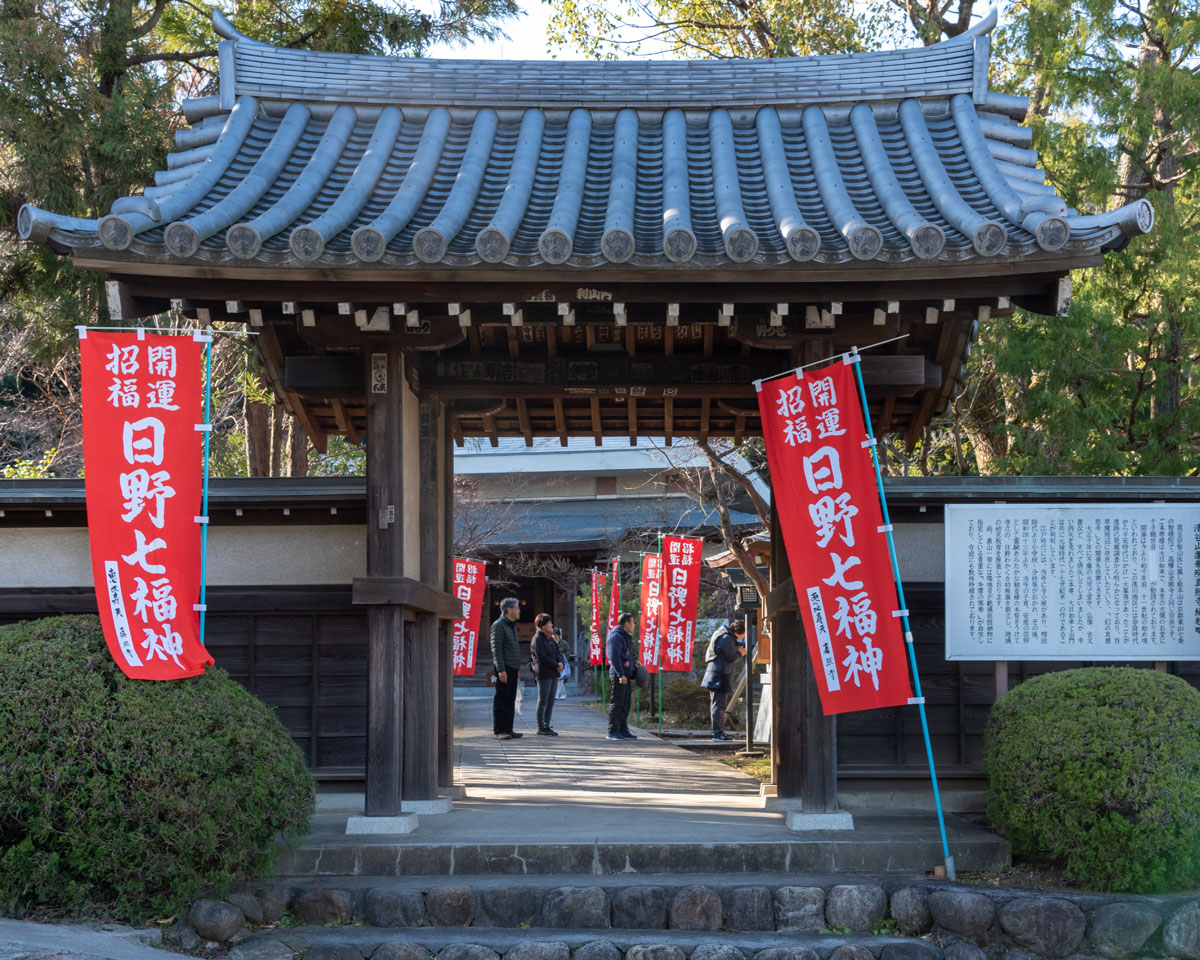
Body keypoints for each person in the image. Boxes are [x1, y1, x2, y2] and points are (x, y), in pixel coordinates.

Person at [702, 619, 747, 741]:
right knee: (718, 705)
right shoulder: (727, 638)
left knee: (717, 704)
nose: (744, 636)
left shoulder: (725, 635)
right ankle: (718, 734)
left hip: (717, 673)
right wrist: (740, 653)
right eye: (744, 634)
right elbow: (731, 657)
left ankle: (718, 732)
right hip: (719, 675)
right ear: (739, 632)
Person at [490, 597, 524, 740]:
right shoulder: (499, 625)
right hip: (504, 668)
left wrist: (517, 670)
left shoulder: (511, 625)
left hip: (513, 667)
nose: (519, 610)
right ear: (508, 610)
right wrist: (501, 670)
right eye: (517, 608)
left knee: (510, 699)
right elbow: (496, 649)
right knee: (501, 699)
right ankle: (499, 731)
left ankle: (508, 729)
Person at [530, 613, 564, 735]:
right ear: (543, 625)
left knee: (551, 700)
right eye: (549, 623)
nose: (551, 625)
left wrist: (560, 662)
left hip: (554, 673)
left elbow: (557, 651)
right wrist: (556, 665)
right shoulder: (537, 639)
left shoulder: (550, 638)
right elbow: (542, 657)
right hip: (544, 673)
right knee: (543, 700)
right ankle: (541, 727)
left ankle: (547, 725)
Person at [606, 611, 638, 741]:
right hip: (619, 675)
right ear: (626, 624)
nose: (634, 625)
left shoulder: (625, 636)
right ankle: (612, 731)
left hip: (626, 675)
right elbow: (613, 657)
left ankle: (623, 729)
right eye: (633, 622)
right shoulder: (616, 637)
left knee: (626, 704)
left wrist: (634, 662)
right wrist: (620, 674)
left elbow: (626, 656)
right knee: (617, 703)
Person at [555, 628, 571, 699]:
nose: (554, 637)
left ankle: (557, 694)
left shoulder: (564, 643)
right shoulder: (551, 642)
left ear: (558, 635)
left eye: (555, 635)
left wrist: (565, 659)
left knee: (560, 679)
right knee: (558, 679)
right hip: (554, 663)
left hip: (562, 663)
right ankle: (563, 694)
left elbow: (568, 651)